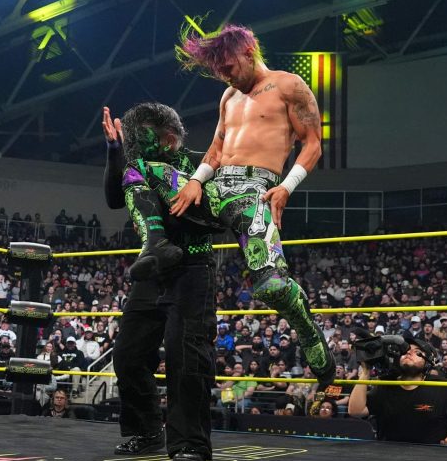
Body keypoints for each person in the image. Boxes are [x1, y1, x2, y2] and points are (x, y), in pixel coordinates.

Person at [116, 21, 335, 391]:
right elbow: (216, 150)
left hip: (255, 193)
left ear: (248, 52)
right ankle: (155, 243)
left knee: (271, 287)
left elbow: (312, 143)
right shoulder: (229, 97)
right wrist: (196, 181)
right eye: (219, 72)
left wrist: (286, 187)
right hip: (216, 189)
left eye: (229, 68)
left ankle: (308, 330)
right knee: (139, 169)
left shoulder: (288, 85)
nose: (226, 77)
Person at [103, 103, 217, 461]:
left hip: (191, 267)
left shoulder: (200, 166)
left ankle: (191, 442)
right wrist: (114, 150)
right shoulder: (136, 165)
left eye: (142, 141)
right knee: (128, 355)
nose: (137, 149)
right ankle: (148, 431)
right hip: (152, 269)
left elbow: (213, 220)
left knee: (187, 357)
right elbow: (113, 199)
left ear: (168, 139)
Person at [347, 337, 447, 445]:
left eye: (417, 352)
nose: (408, 353)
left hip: (431, 457)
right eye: (405, 351)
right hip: (388, 455)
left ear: (428, 362)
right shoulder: (386, 385)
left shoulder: (441, 386)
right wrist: (365, 372)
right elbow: (356, 411)